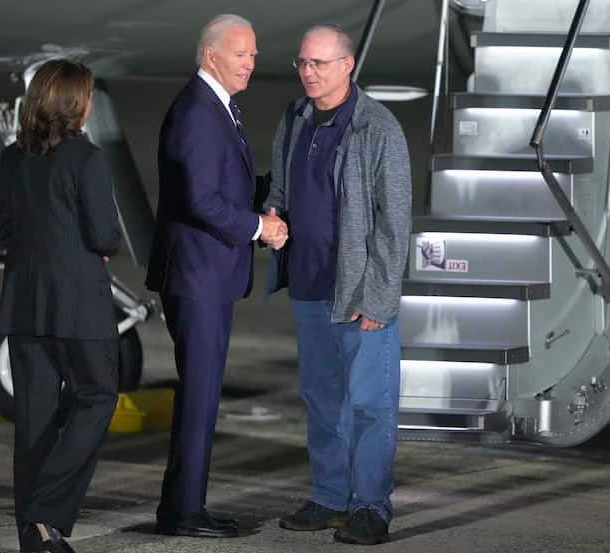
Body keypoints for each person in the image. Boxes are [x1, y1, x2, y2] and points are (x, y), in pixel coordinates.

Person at [264, 24, 411, 546]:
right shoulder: (296, 117)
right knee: (323, 400)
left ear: (347, 66)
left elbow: (394, 224)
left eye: (319, 64)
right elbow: (281, 184)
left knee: (371, 404)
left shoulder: (378, 128)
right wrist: (272, 214)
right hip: (308, 284)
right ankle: (330, 498)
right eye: (302, 63)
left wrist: (380, 298)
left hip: (357, 293)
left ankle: (370, 506)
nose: (308, 72)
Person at [145, 13, 288, 539]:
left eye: (253, 54)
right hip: (198, 276)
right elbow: (202, 201)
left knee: (203, 395)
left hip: (205, 274)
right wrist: (260, 228)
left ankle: (186, 506)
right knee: (200, 396)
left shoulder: (215, 107)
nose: (252, 63)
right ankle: (182, 512)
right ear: (211, 56)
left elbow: (222, 184)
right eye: (241, 54)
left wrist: (277, 192)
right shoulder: (198, 114)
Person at [0, 59, 121, 553]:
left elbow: (4, 230)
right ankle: (47, 513)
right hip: (79, 305)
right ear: (76, 104)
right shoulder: (86, 159)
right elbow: (105, 234)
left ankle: (34, 534)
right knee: (97, 397)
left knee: (36, 417)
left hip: (24, 303)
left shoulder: (11, 158)